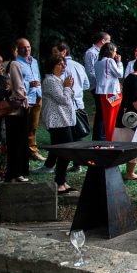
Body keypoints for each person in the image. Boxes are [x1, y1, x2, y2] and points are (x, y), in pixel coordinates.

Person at [40, 54, 77, 194]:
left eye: (64, 64)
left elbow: (69, 97)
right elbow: (63, 99)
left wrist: (68, 87)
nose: (63, 67)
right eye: (60, 64)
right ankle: (59, 181)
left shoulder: (59, 80)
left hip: (64, 120)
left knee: (66, 151)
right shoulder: (50, 81)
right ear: (52, 66)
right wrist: (67, 87)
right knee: (66, 150)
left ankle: (62, 180)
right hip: (56, 122)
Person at [113, 57, 137, 182]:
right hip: (132, 117)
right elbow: (136, 100)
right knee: (135, 143)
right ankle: (131, 172)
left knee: (135, 143)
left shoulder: (129, 77)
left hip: (126, 115)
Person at [13, 38, 44, 161]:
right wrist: (29, 85)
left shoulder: (34, 61)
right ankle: (23, 151)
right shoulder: (16, 63)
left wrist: (39, 85)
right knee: (23, 127)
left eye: (28, 47)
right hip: (25, 99)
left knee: (34, 126)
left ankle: (33, 151)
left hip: (37, 96)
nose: (27, 50)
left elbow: (38, 77)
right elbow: (15, 83)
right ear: (18, 49)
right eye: (23, 47)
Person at [4, 41, 31, 182]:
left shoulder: (1, 65)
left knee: (11, 140)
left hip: (6, 108)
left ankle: (10, 171)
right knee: (20, 140)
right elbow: (19, 85)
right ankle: (18, 171)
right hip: (17, 107)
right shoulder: (14, 65)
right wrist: (24, 98)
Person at [93, 42, 122, 142]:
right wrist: (119, 63)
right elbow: (120, 74)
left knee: (102, 116)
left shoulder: (98, 62)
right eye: (114, 51)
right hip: (111, 92)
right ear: (110, 52)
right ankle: (109, 139)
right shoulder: (110, 61)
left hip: (101, 92)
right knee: (111, 117)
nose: (115, 53)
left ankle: (102, 138)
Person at [84, 31, 110, 140]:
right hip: (97, 86)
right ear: (103, 41)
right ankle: (99, 137)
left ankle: (100, 136)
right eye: (108, 40)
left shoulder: (102, 53)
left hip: (102, 87)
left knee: (103, 112)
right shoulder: (91, 53)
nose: (110, 43)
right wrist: (100, 82)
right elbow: (90, 71)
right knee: (101, 112)